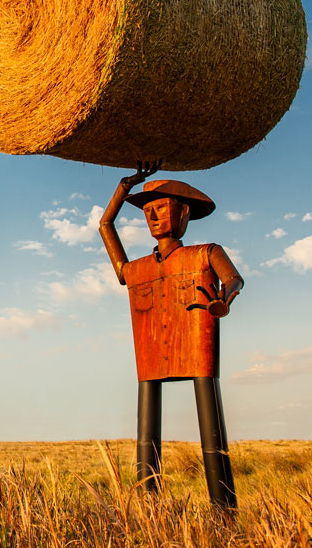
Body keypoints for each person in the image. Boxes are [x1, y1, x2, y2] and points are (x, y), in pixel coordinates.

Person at [98, 161, 243, 509]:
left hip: (196, 340)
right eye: (148, 210)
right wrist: (123, 187)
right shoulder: (138, 270)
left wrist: (223, 300)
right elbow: (105, 226)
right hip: (150, 352)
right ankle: (151, 517)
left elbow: (233, 279)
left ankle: (223, 516)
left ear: (183, 214)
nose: (153, 216)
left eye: (161, 207)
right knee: (147, 440)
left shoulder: (204, 254)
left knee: (211, 435)